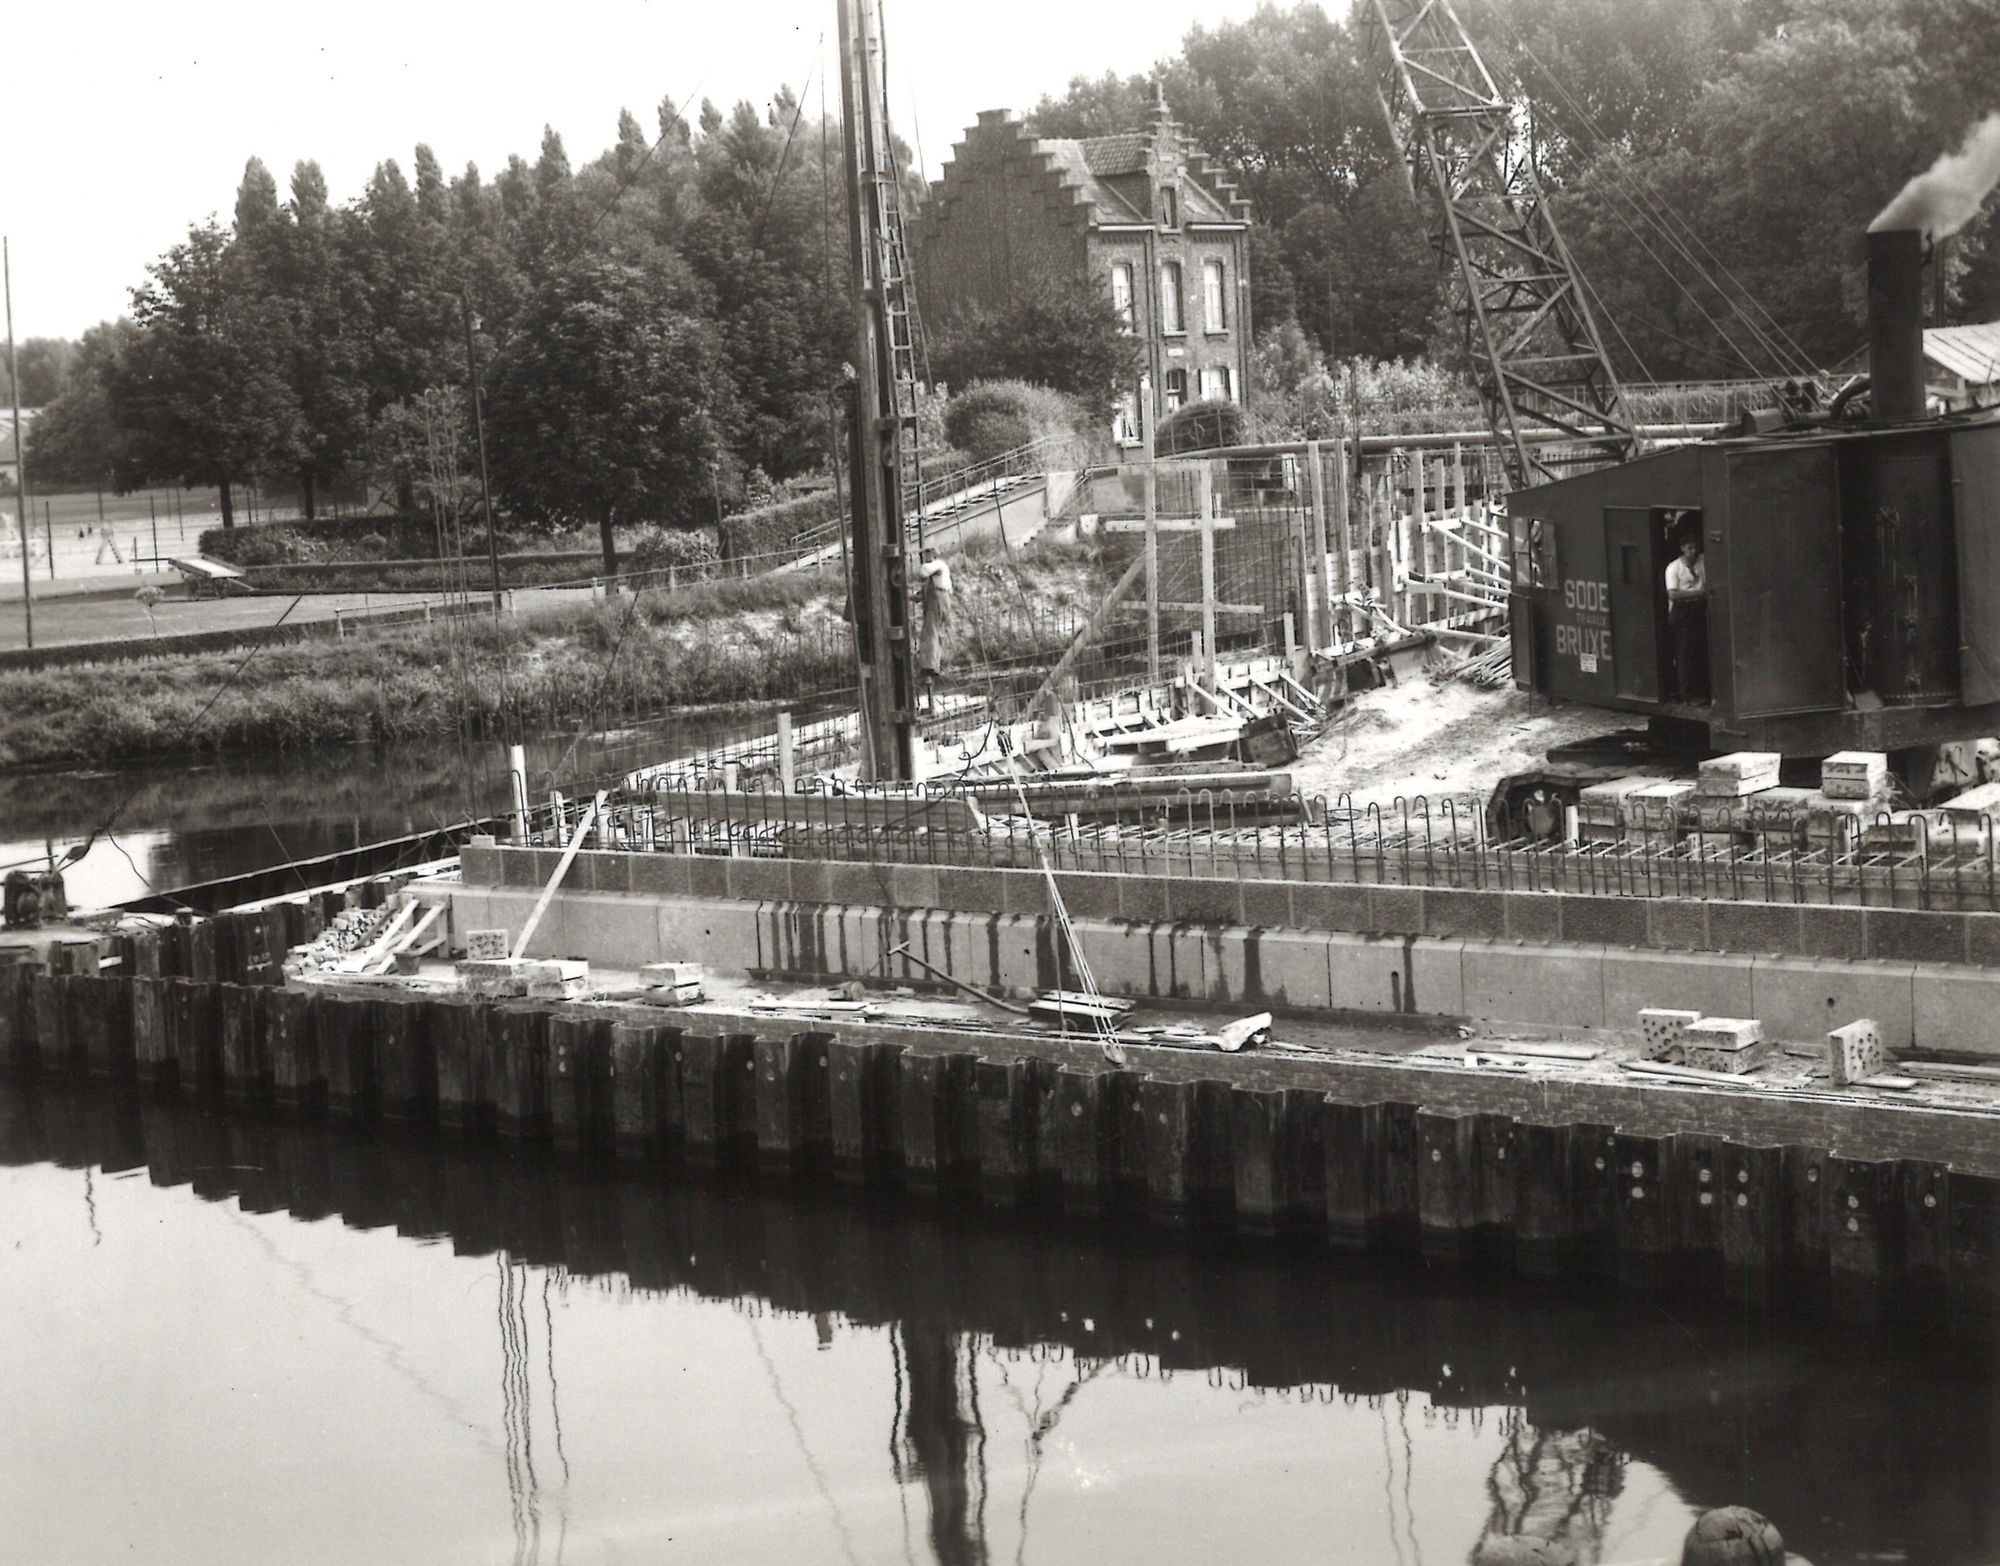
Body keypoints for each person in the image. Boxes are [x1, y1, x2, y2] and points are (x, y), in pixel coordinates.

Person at [1665, 533, 1709, 703]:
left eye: (1696, 547)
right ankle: (1688, 695)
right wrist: (1699, 592)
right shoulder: (1673, 568)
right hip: (1682, 613)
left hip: (1698, 609)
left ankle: (1702, 691)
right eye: (1690, 548)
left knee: (1700, 652)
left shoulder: (1702, 561)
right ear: (1683, 549)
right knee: (1685, 654)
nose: (1693, 551)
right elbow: (1673, 595)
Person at [916, 547, 954, 710]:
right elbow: (920, 594)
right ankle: (932, 665)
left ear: (932, 554)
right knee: (932, 634)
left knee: (930, 633)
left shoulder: (938, 565)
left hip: (938, 600)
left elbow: (923, 571)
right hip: (940, 600)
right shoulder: (936, 576)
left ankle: (929, 668)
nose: (923, 558)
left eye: (925, 555)